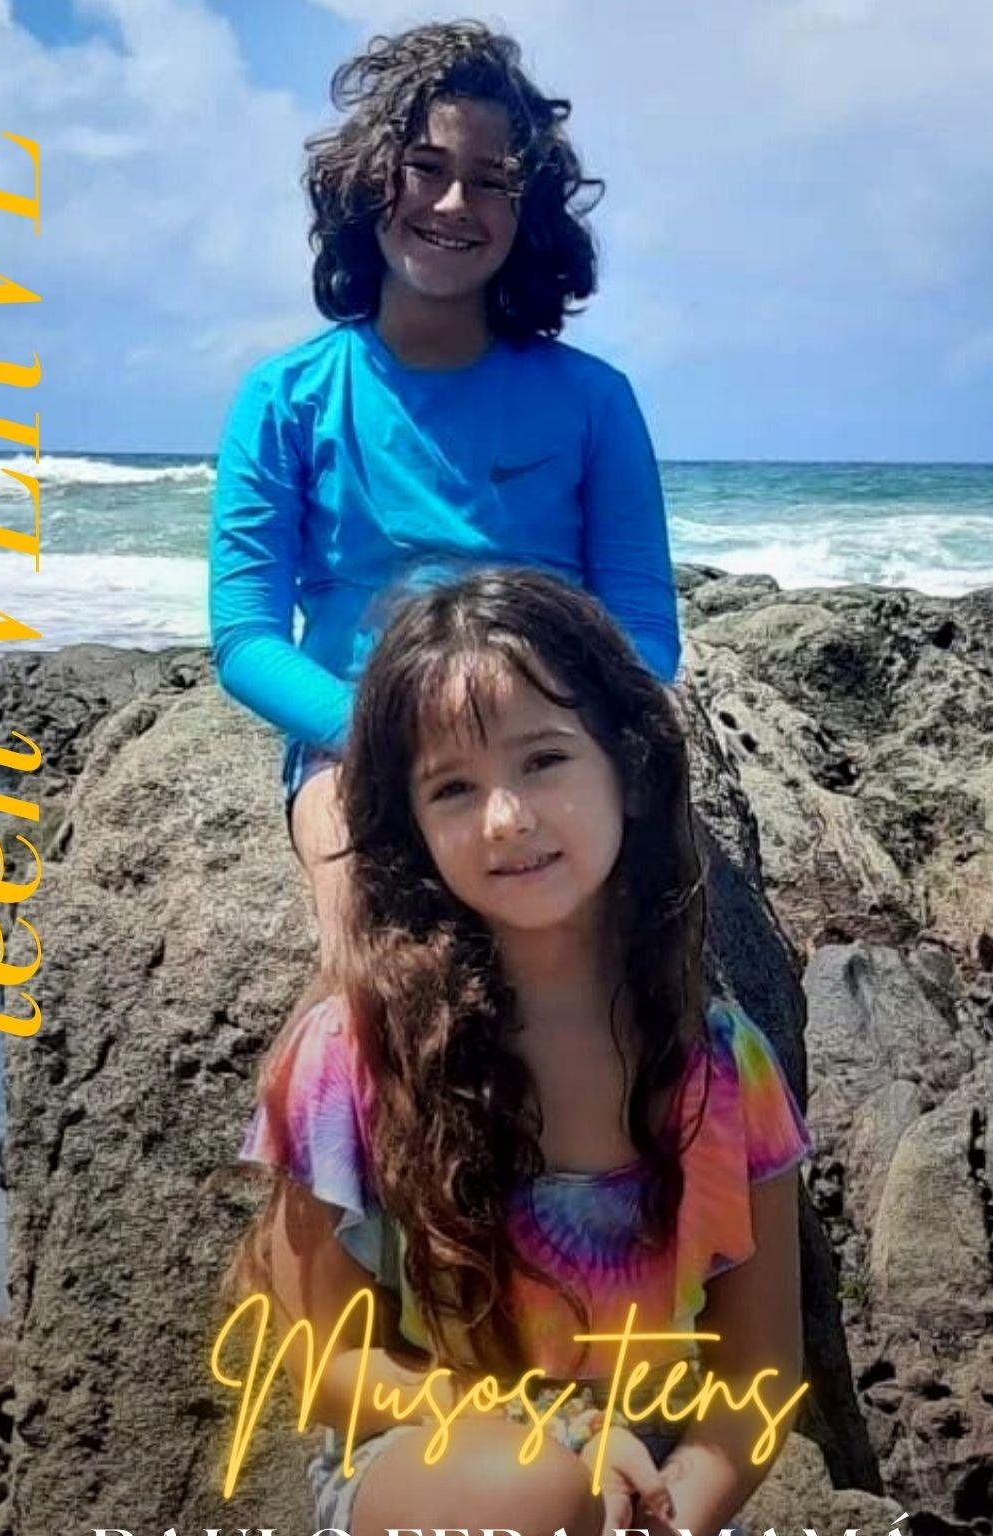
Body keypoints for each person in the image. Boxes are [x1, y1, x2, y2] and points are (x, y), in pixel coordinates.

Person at [191, 572, 817, 1536]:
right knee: (539, 1490)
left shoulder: (722, 1068)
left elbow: (758, 1378)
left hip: (636, 1507)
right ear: (407, 825)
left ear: (626, 765)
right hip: (440, 1505)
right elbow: (320, 1360)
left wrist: (673, 1527)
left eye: (542, 760)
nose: (508, 817)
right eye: (452, 787)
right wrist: (572, 1452)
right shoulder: (353, 1052)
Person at [209, 21, 680, 967]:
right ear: (367, 181)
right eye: (425, 168)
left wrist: (549, 737)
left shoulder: (594, 401)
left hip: (549, 727)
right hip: (356, 742)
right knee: (374, 957)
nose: (454, 203)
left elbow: (646, 632)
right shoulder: (285, 397)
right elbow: (245, 637)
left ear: (527, 213)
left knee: (620, 949)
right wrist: (384, 739)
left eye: (492, 181)